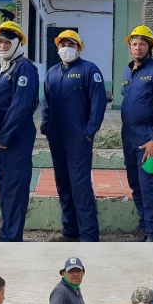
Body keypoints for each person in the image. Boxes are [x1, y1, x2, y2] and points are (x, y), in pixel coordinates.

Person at [42, 30, 107, 243]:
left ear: (79, 48)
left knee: (80, 185)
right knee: (63, 184)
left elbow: (98, 102)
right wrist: (46, 125)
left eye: (71, 44)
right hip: (57, 137)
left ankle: (89, 236)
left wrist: (90, 131)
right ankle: (70, 231)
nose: (66, 48)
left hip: (78, 138)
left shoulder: (89, 70)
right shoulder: (52, 72)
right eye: (62, 45)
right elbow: (47, 101)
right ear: (57, 48)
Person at [0, 20, 41, 242]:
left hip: (15, 140)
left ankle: (12, 238)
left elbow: (21, 106)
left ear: (18, 43)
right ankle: (6, 234)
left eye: (7, 42)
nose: (2, 45)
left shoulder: (24, 68)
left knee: (15, 189)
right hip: (0, 141)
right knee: (3, 188)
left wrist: (5, 137)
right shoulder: (0, 69)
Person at [120, 26, 153, 242]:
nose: (137, 48)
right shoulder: (128, 70)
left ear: (150, 46)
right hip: (128, 135)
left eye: (142, 44)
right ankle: (144, 225)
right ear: (130, 47)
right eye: (134, 44)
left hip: (147, 137)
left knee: (148, 184)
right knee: (135, 183)